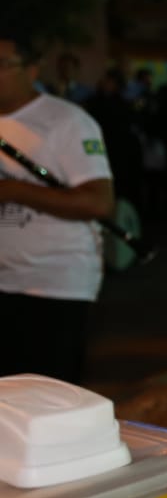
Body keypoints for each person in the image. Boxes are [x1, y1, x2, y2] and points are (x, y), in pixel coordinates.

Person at [0, 30, 115, 384]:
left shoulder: (67, 122)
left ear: (32, 70)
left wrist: (14, 190)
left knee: (46, 405)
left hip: (53, 286)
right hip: (4, 281)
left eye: (2, 64)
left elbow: (98, 201)